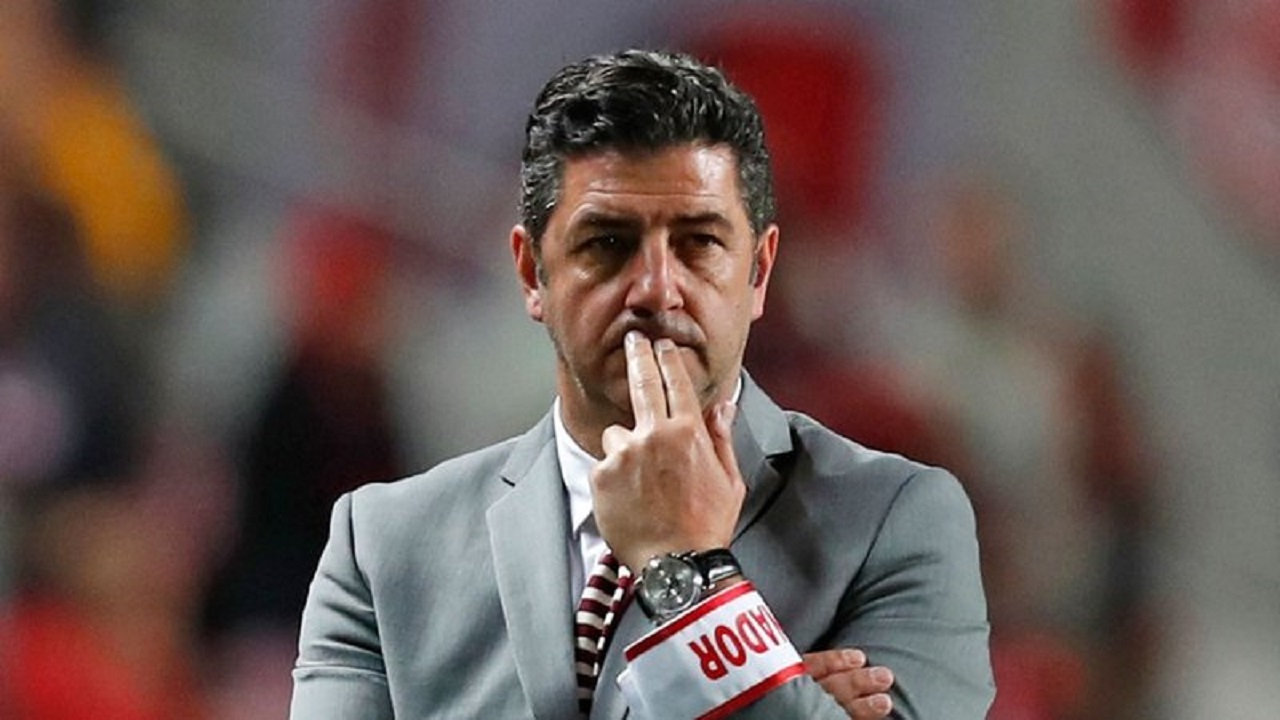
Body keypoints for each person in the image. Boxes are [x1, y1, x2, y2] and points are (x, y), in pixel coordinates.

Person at [290, 49, 993, 719]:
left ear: (759, 271)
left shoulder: (896, 523)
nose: (657, 288)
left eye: (699, 242)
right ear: (532, 273)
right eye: (608, 243)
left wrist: (683, 570)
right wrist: (769, 688)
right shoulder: (383, 546)